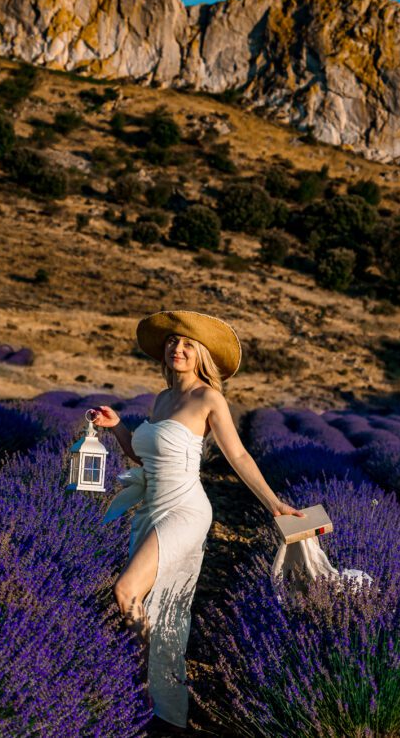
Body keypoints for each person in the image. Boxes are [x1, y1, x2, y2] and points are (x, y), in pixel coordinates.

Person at [90, 309, 305, 734]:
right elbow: (143, 454)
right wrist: (117, 429)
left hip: (187, 509)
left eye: (188, 344)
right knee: (154, 607)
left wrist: (275, 505)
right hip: (152, 506)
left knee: (126, 589)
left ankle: (145, 693)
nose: (178, 348)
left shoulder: (209, 398)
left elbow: (238, 456)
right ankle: (156, 698)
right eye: (172, 342)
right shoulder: (161, 398)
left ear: (202, 354)